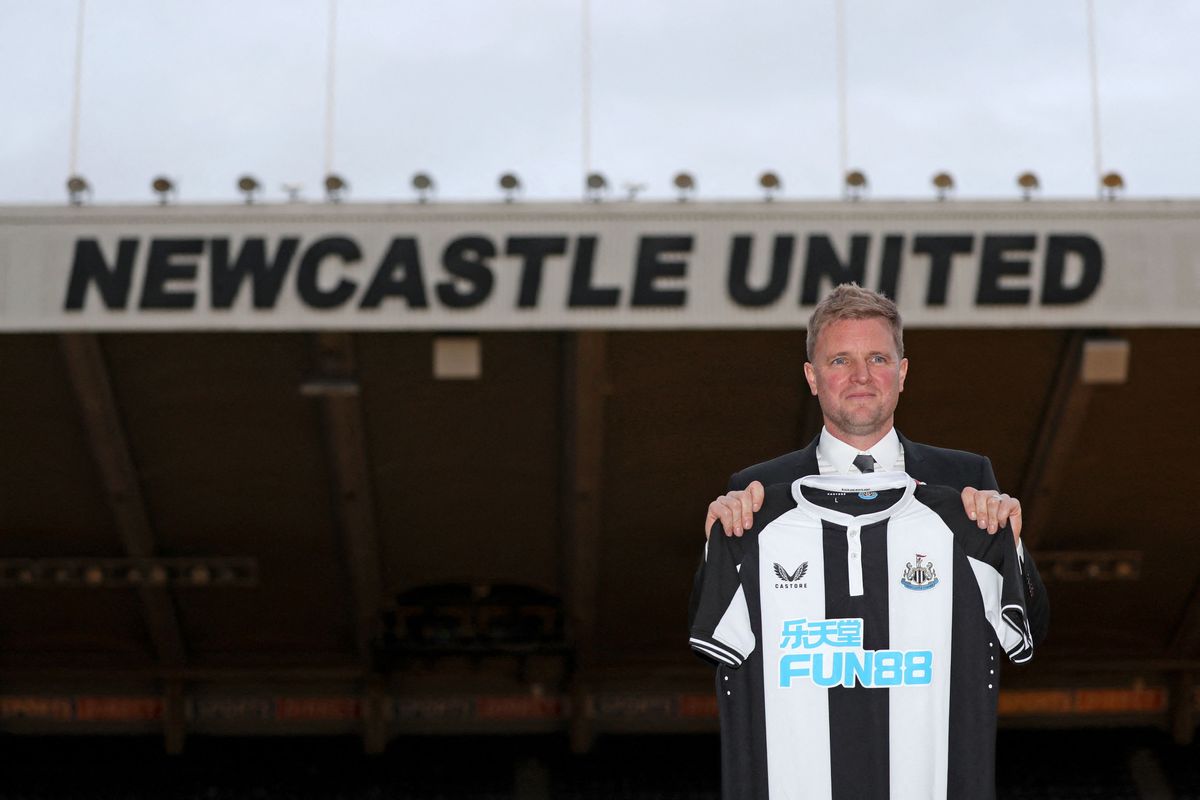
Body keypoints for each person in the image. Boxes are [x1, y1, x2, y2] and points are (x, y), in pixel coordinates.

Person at [697, 283, 1048, 645]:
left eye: (878, 358)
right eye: (840, 360)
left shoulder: (965, 480)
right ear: (812, 377)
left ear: (903, 372)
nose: (861, 375)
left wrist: (1012, 546)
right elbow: (713, 639)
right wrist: (716, 548)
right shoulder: (757, 492)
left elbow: (1031, 631)